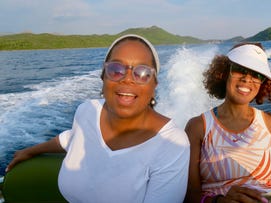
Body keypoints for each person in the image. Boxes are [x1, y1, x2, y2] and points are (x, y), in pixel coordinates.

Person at [6, 34, 190, 203]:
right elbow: (73, 137)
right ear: (103, 77)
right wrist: (31, 151)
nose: (127, 79)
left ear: (154, 84)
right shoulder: (87, 110)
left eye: (142, 73)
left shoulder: (171, 144)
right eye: (116, 69)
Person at [184, 43, 271, 203]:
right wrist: (219, 201)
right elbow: (190, 194)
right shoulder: (198, 127)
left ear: (262, 83)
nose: (247, 79)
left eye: (256, 74)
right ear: (224, 73)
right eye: (240, 69)